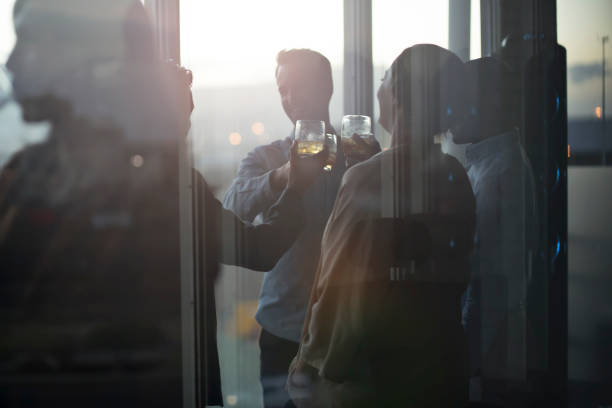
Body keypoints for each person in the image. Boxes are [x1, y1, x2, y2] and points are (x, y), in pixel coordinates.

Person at [0, 1, 326, 406]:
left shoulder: (30, 180)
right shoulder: (167, 188)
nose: (11, 62)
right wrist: (293, 188)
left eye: (31, 41)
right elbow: (256, 248)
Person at [287, 44, 476, 407]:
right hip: (440, 368)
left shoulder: (367, 178)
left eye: (385, 79)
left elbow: (336, 286)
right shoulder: (455, 175)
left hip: (374, 379)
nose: (378, 89)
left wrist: (306, 366)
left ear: (400, 95)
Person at [222, 48, 379, 408]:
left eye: (300, 86)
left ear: (326, 87)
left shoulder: (358, 152)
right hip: (284, 329)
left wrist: (375, 170)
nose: (290, 99)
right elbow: (231, 208)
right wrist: (283, 176)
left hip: (349, 327)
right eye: (283, 90)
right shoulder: (267, 157)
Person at [455, 57, 538, 404]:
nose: (449, 112)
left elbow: (487, 285)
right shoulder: (494, 165)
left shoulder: (498, 175)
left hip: (490, 359)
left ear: (484, 104)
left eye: (458, 100)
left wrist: (465, 359)